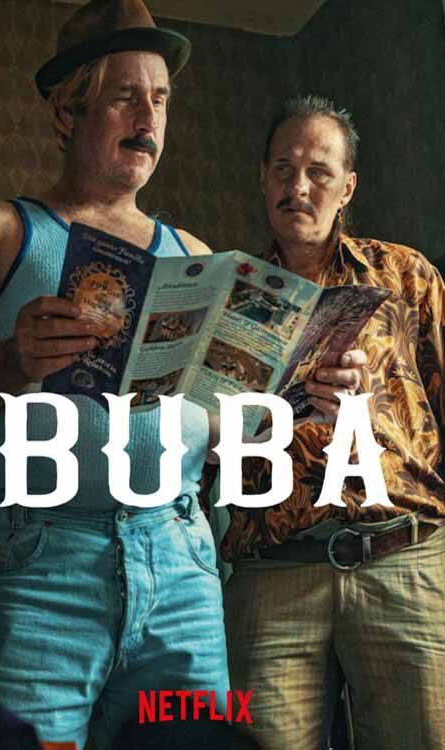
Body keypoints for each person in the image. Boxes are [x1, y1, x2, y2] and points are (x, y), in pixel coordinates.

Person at [0, 1, 229, 748]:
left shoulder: (197, 256)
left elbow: (222, 427)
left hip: (182, 566)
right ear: (67, 111)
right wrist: (9, 362)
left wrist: (290, 396)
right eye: (124, 95)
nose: (148, 117)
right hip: (34, 567)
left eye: (160, 98)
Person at [216, 96, 445, 750]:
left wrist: (372, 409)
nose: (298, 187)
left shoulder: (404, 274)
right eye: (283, 169)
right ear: (262, 178)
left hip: (404, 559)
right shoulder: (228, 296)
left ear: (347, 187)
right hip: (273, 573)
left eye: (318, 172)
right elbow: (202, 449)